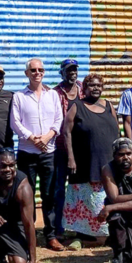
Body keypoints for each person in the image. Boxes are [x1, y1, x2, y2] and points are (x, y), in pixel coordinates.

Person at [10, 58, 64, 250]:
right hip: (27, 152)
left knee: (49, 195)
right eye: (33, 70)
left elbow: (58, 119)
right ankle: (28, 234)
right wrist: (33, 138)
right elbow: (15, 123)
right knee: (26, 195)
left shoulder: (53, 95)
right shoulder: (19, 96)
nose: (37, 73)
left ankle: (50, 236)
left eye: (40, 69)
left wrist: (48, 137)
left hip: (49, 153)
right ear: (26, 73)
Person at [63, 74, 118, 246]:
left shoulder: (109, 105)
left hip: (108, 160)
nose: (95, 88)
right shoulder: (76, 106)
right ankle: (81, 236)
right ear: (84, 88)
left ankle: (111, 234)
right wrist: (70, 157)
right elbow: (66, 132)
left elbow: (117, 131)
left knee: (106, 197)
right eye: (91, 85)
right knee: (82, 199)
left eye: (99, 85)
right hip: (84, 161)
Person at [52, 58, 82, 246]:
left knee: (79, 188)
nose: (72, 73)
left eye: (74, 70)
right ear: (62, 73)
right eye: (68, 70)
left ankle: (79, 228)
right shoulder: (55, 93)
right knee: (58, 189)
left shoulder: (82, 88)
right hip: (60, 149)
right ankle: (58, 228)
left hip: (81, 148)